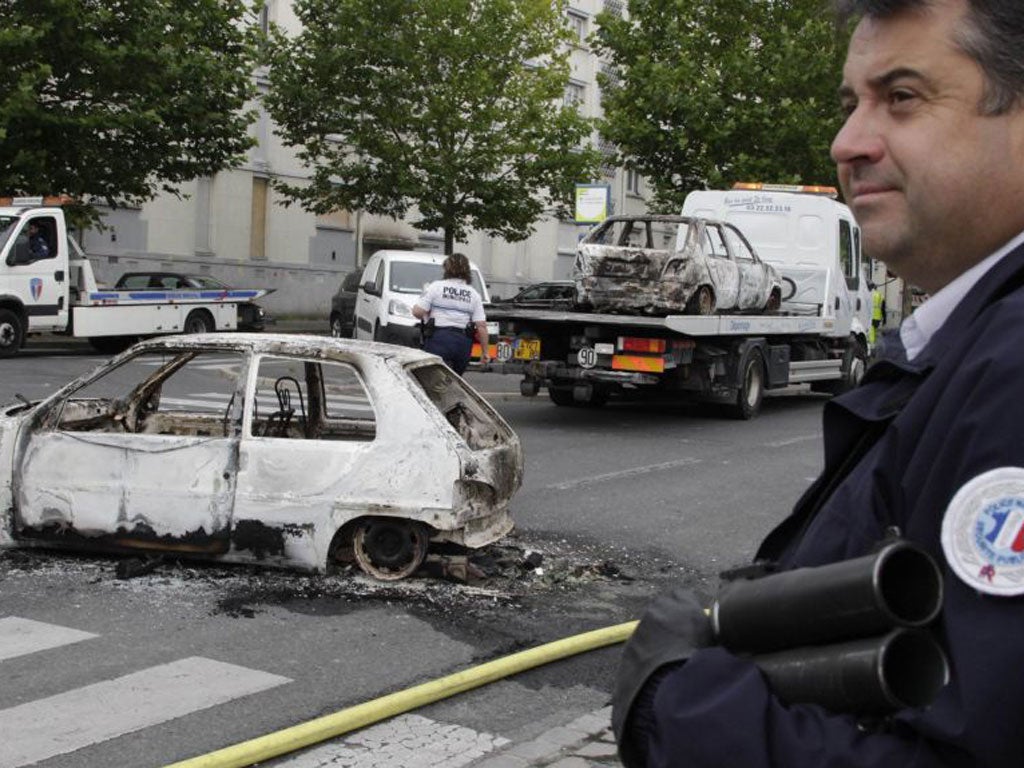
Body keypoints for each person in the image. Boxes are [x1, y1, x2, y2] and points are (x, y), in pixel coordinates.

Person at [612, 1, 1024, 766]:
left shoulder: (1011, 370)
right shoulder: (970, 347)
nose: (847, 143)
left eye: (901, 97)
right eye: (850, 104)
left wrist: (676, 701)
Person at [412, 253, 489, 375]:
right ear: (467, 271)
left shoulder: (436, 287)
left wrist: (421, 308)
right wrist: (485, 352)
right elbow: (481, 327)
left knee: (430, 379)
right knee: (455, 381)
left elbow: (417, 312)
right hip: (462, 344)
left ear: (446, 269)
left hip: (438, 340)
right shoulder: (474, 294)